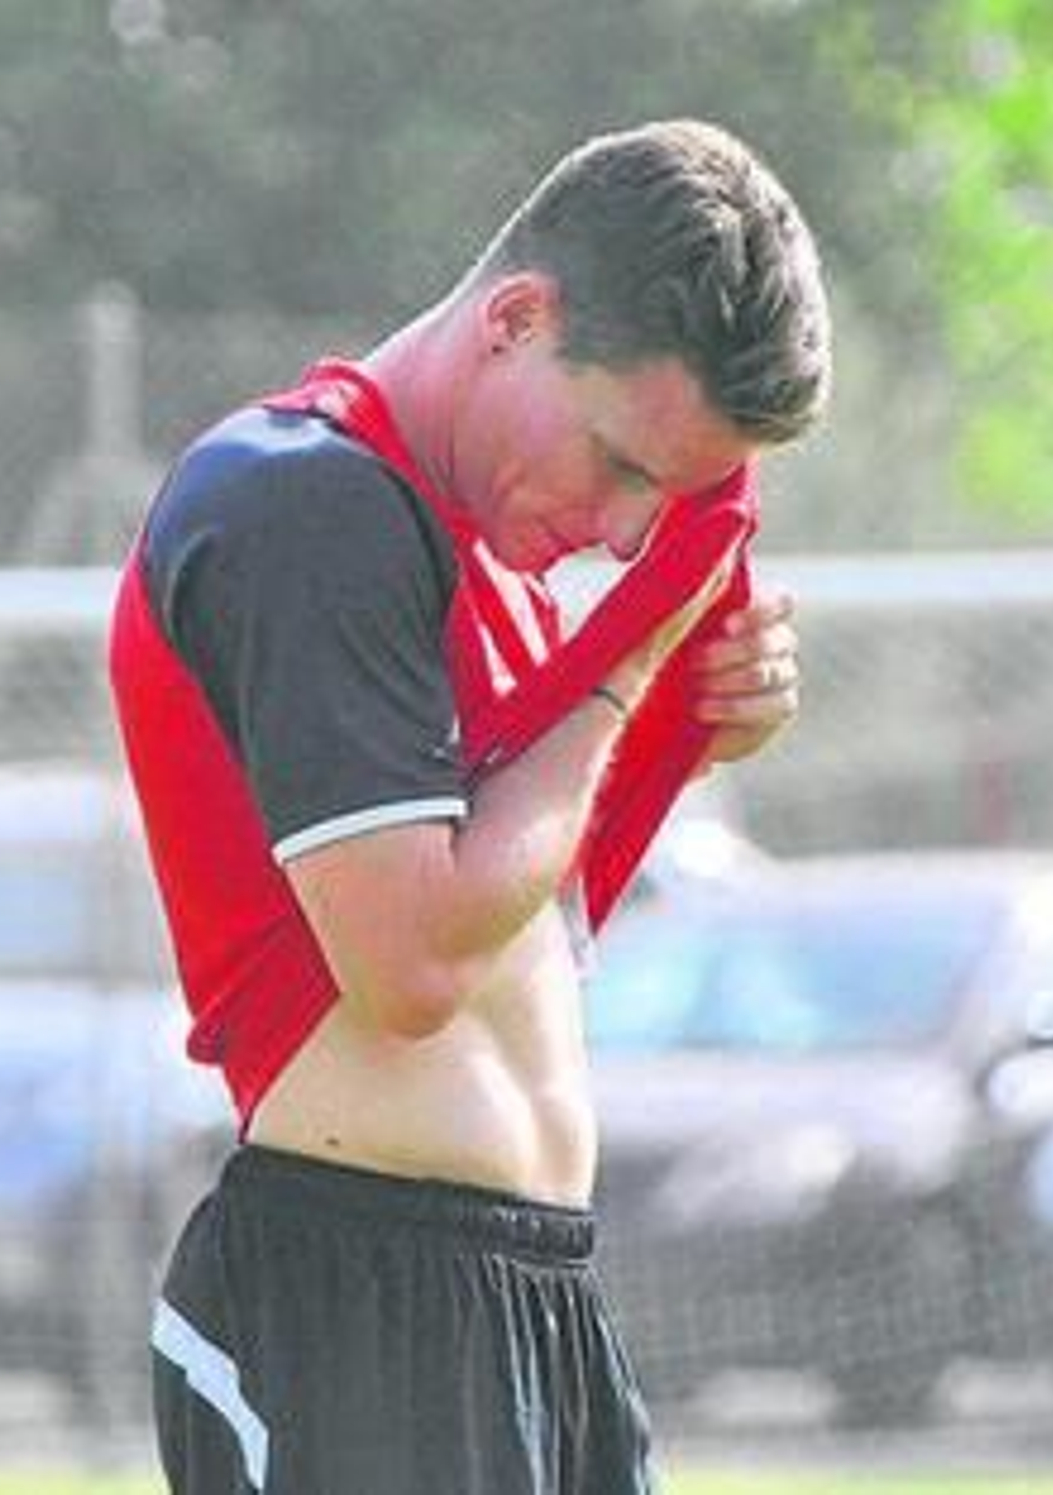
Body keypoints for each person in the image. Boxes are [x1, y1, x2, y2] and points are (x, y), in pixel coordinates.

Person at [109, 118, 831, 1494]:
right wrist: (626, 668)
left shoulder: (475, 561)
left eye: (666, 495)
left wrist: (688, 719)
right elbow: (414, 966)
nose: (626, 531)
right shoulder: (301, 501)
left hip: (533, 1299)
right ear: (515, 318)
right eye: (621, 463)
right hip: (358, 1301)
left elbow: (532, 930)